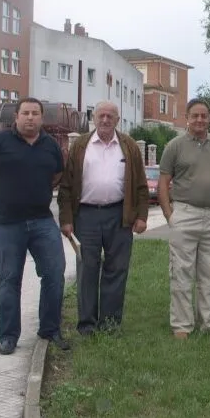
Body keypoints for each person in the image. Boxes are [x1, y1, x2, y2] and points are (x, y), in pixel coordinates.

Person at [0, 97, 68, 355]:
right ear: (15, 117)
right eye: (25, 113)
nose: (30, 117)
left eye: (35, 113)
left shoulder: (50, 146)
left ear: (41, 118)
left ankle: (49, 329)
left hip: (42, 221)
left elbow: (57, 175)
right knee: (10, 279)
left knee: (54, 273)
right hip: (7, 223)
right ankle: (9, 337)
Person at [58, 101, 149, 336]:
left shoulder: (128, 146)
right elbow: (66, 187)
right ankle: (87, 324)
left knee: (116, 269)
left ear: (117, 120)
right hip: (85, 216)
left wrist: (141, 217)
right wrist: (66, 220)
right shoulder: (80, 145)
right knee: (87, 269)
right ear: (94, 118)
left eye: (110, 116)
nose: (106, 120)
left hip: (119, 215)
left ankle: (110, 324)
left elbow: (140, 185)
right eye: (101, 115)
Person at [158, 99, 210, 338]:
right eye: (195, 116)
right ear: (187, 117)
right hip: (185, 214)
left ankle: (209, 324)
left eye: (204, 116)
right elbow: (163, 182)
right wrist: (170, 215)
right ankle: (182, 325)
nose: (200, 120)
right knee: (181, 272)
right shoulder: (175, 146)